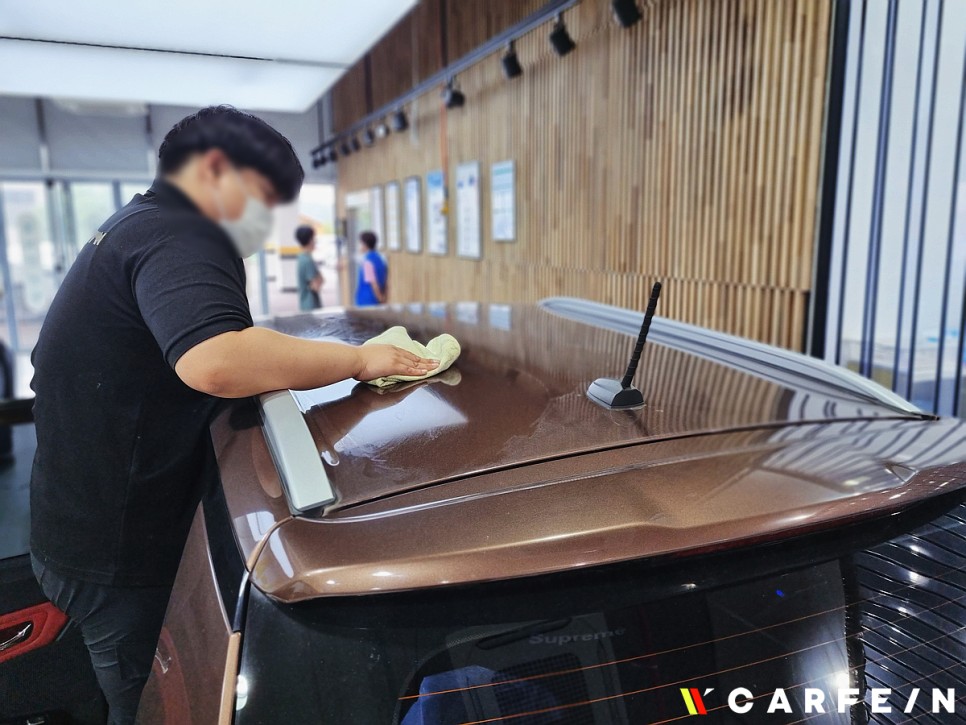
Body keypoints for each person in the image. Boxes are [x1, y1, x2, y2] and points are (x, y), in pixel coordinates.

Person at [28, 106, 436, 725]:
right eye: (264, 198)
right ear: (216, 167)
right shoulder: (180, 232)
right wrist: (358, 359)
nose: (265, 222)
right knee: (153, 707)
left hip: (78, 520)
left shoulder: (137, 225)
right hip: (115, 548)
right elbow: (216, 360)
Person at [354, 230, 388, 306]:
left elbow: (373, 283)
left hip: (367, 300)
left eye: (360, 243)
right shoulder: (381, 259)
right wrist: (383, 298)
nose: (359, 246)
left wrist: (380, 299)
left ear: (365, 245)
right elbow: (385, 280)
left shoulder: (367, 262)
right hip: (377, 299)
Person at [295, 224, 323, 311]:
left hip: (304, 305)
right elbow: (316, 286)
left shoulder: (301, 257)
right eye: (314, 238)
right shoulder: (308, 261)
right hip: (311, 307)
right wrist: (319, 278)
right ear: (310, 240)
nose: (315, 241)